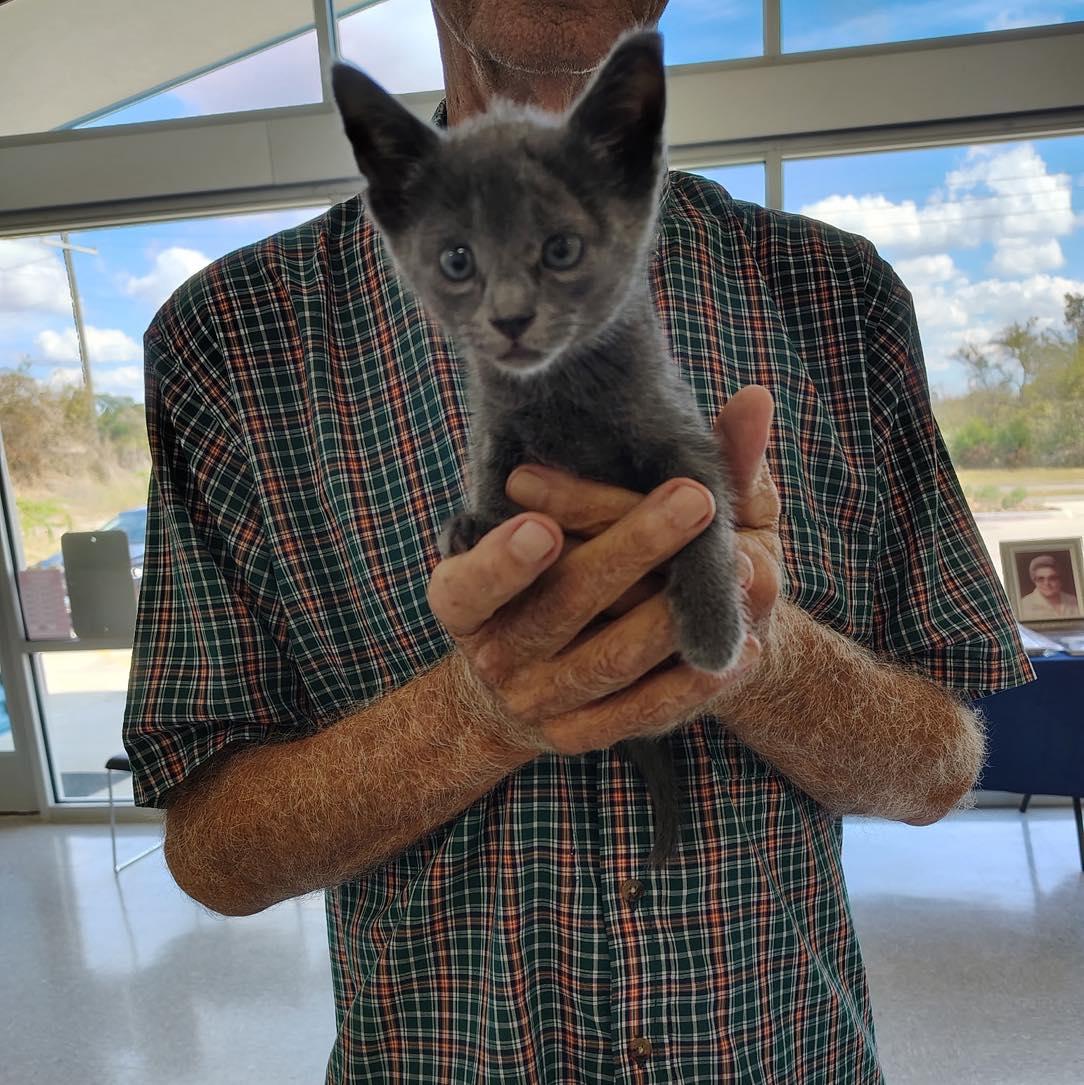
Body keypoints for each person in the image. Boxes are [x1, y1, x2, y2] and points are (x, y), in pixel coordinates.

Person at [123, 2, 1033, 1081]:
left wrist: (757, 645)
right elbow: (215, 853)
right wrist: (471, 713)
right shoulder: (234, 340)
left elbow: (942, 766)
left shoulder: (838, 298)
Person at [1018, 554, 1081, 621]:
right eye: (1041, 579)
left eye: (1052, 578)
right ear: (1034, 581)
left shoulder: (1074, 601)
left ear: (1060, 579)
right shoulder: (1023, 606)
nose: (1046, 583)